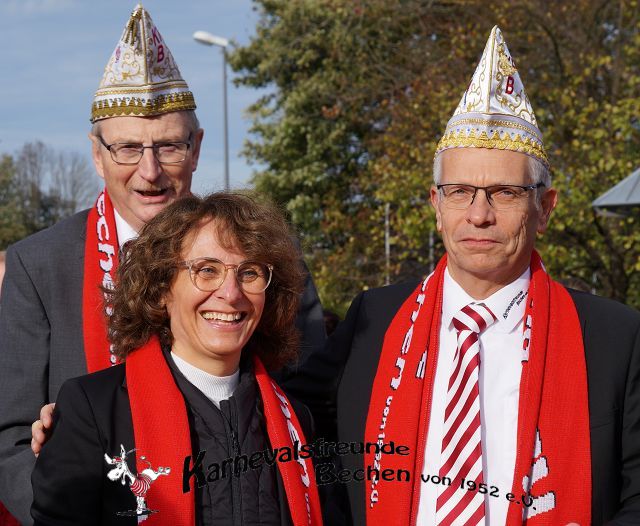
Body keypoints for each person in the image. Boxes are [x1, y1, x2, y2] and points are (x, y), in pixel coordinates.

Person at [284, 26, 640, 525]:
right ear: (436, 205)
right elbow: (292, 428)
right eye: (459, 192)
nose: (478, 215)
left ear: (544, 209)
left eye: (505, 193)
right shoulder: (374, 319)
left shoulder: (615, 337)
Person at [0, 5, 325, 524]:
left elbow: (306, 402)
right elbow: (10, 437)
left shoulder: (268, 257)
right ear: (97, 154)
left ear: (196, 149)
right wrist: (64, 489)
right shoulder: (40, 264)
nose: (149, 171)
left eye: (169, 146)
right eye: (128, 148)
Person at [31, 192, 323, 526]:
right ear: (161, 289)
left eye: (249, 272)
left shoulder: (297, 422)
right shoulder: (95, 411)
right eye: (207, 270)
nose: (231, 293)